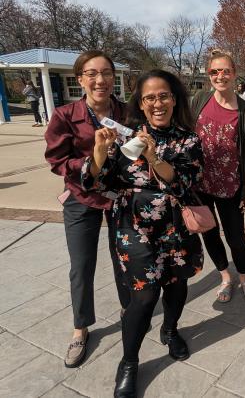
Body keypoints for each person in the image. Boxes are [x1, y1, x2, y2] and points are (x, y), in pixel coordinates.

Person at [81, 69, 204, 397]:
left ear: (174, 99)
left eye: (163, 95)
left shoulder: (187, 139)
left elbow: (183, 182)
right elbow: (97, 181)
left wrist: (152, 156)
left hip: (176, 225)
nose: (157, 102)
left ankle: (170, 329)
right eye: (150, 97)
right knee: (145, 294)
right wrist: (98, 153)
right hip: (133, 226)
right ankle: (129, 361)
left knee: (177, 285)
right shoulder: (125, 137)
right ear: (141, 103)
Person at [44, 50, 129, 368]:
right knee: (81, 265)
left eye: (106, 72)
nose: (100, 80)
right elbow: (57, 160)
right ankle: (81, 328)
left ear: (113, 77)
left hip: (120, 196)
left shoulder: (127, 111)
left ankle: (128, 310)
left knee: (124, 257)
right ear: (80, 78)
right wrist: (94, 157)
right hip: (82, 197)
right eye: (91, 73)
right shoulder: (65, 115)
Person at [191, 53, 245, 303]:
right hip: (200, 184)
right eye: (214, 72)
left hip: (230, 185)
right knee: (209, 233)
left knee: (236, 238)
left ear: (234, 73)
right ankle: (225, 277)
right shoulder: (199, 99)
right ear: (209, 75)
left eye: (225, 71)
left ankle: (244, 278)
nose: (220, 76)